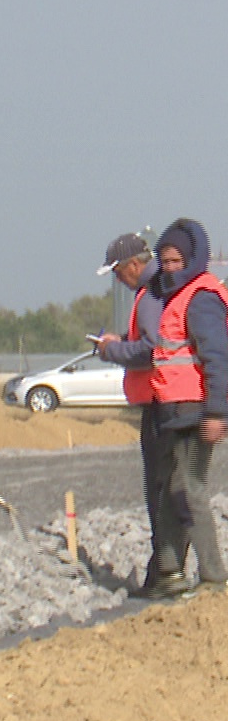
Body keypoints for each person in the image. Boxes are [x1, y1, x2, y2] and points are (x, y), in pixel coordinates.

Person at [136, 218, 228, 597]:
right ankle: (170, 572)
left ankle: (214, 577)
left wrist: (217, 413)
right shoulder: (178, 297)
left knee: (189, 488)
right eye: (165, 261)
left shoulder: (201, 298)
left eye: (177, 261)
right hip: (174, 411)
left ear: (192, 259)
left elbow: (218, 359)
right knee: (173, 490)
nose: (171, 268)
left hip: (196, 411)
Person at [92, 232, 180, 596]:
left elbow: (149, 350)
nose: (117, 280)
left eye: (117, 271)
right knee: (173, 490)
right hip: (174, 401)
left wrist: (112, 350)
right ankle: (167, 571)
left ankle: (164, 575)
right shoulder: (165, 288)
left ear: (133, 265)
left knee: (161, 492)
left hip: (164, 402)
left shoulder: (151, 295)